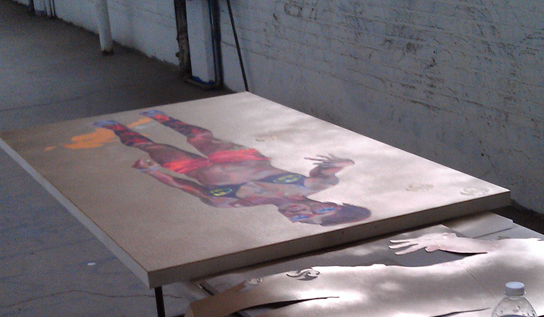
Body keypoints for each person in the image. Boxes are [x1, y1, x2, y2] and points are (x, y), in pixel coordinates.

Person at [94, 109, 371, 227]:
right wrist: (343, 162)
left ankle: (116, 127)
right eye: (319, 211)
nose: (300, 212)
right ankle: (164, 118)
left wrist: (151, 171)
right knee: (199, 135)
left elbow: (184, 186)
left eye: (300, 219)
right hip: (240, 157)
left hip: (192, 169)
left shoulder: (232, 203)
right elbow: (328, 172)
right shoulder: (314, 186)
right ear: (330, 204)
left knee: (151, 148)